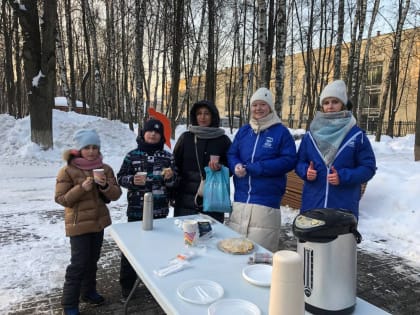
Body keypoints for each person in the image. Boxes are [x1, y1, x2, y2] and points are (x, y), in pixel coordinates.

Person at [55, 129, 122, 315]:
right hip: (78, 225)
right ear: (79, 149)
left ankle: (89, 292)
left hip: (98, 223)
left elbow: (116, 195)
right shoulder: (68, 170)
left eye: (95, 147)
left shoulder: (105, 168)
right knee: (78, 264)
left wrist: (105, 186)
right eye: (87, 147)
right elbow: (61, 199)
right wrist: (81, 188)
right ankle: (69, 304)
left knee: (92, 260)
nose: (91, 151)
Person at [227, 87, 297, 252]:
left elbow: (289, 160)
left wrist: (256, 168)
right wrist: (235, 165)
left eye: (262, 105)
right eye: (255, 105)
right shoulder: (244, 131)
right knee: (235, 251)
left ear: (270, 107)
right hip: (240, 200)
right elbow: (232, 153)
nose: (258, 108)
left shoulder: (281, 132)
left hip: (266, 204)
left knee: (259, 255)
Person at [295, 80, 376, 219]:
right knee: (312, 241)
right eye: (326, 103)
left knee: (340, 241)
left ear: (342, 104)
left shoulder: (356, 135)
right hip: (312, 205)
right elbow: (298, 162)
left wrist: (343, 176)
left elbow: (368, 168)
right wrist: (305, 171)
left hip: (343, 209)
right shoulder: (311, 134)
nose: (330, 106)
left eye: (335, 101)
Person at [117, 119, 178, 300]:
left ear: (161, 136)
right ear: (143, 133)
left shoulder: (168, 157)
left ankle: (157, 284)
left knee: (159, 250)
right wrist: (131, 180)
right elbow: (120, 177)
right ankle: (127, 287)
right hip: (136, 211)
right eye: (150, 131)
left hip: (160, 212)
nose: (153, 134)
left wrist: (170, 179)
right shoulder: (132, 155)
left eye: (157, 132)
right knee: (131, 250)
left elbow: (175, 183)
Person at [173, 100, 232, 223]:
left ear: (213, 116)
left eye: (206, 113)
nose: (202, 117)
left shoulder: (223, 140)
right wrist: (172, 192)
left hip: (213, 198)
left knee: (212, 236)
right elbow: (174, 165)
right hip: (185, 200)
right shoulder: (186, 138)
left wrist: (220, 168)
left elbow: (231, 166)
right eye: (199, 113)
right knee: (184, 237)